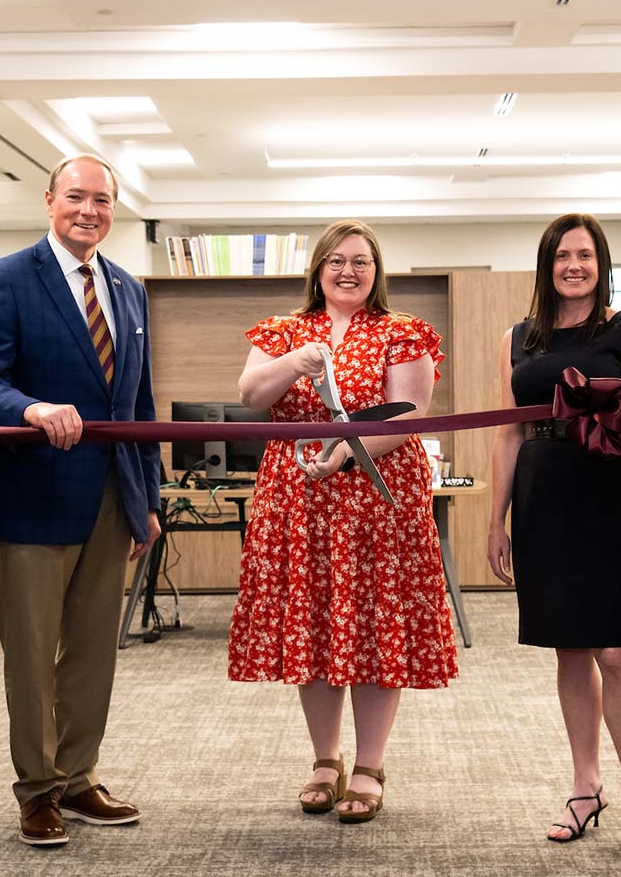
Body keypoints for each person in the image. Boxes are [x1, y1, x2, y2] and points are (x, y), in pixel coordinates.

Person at [0, 154, 162, 848]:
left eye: (102, 201)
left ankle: (78, 778)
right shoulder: (7, 279)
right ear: (49, 201)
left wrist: (149, 499)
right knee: (31, 654)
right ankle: (37, 790)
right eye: (76, 197)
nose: (89, 210)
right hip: (33, 498)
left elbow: (138, 404)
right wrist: (34, 406)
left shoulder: (128, 290)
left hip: (112, 497)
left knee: (93, 653)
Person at [230, 219, 456, 823]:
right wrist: (294, 363)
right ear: (318, 270)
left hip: (378, 495)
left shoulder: (403, 331)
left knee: (378, 622)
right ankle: (324, 760)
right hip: (298, 495)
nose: (348, 271)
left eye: (361, 261)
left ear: (377, 271)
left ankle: (370, 764)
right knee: (316, 622)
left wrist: (344, 454)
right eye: (336, 261)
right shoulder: (283, 330)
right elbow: (252, 394)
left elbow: (408, 413)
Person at [485, 213, 621, 857]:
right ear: (547, 264)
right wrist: (496, 518)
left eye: (585, 255)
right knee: (567, 649)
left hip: (605, 488)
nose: (574, 266)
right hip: (543, 490)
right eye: (563, 256)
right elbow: (508, 430)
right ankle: (585, 786)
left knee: (615, 651)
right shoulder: (519, 338)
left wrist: (611, 401)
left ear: (601, 262)